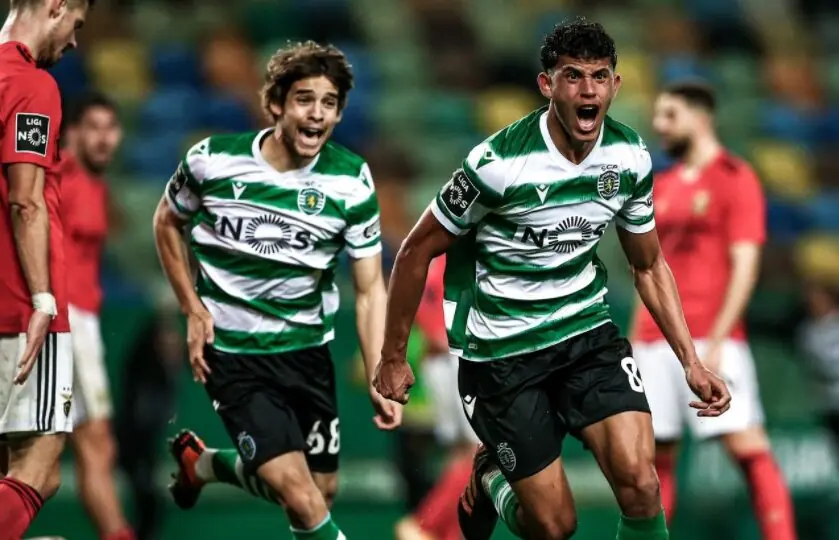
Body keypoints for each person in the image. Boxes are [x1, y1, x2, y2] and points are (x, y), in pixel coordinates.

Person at [373, 17, 732, 540]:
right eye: (573, 76)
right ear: (547, 85)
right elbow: (414, 251)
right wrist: (392, 355)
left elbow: (648, 265)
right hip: (503, 356)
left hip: (586, 338)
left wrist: (691, 361)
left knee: (641, 483)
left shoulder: (629, 157)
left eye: (599, 76)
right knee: (554, 526)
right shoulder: (498, 163)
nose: (588, 90)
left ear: (615, 85)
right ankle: (492, 479)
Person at [153, 40, 402, 540]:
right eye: (304, 99)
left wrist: (380, 368)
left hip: (307, 354)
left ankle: (204, 464)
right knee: (301, 499)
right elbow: (166, 223)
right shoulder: (211, 161)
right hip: (233, 354)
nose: (317, 114)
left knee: (320, 491)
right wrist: (193, 309)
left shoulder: (351, 180)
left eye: (329, 103)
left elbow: (370, 288)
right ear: (275, 104)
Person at [631, 80, 797, 540]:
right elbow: (645, 270)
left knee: (747, 446)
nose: (660, 125)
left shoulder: (734, 177)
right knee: (654, 459)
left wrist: (722, 339)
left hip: (709, 335)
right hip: (653, 340)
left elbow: (745, 265)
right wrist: (633, 337)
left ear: (701, 118)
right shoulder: (661, 186)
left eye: (670, 115)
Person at [0, 0, 92, 536]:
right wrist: (42, 300)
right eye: (75, 25)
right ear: (56, 6)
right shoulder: (32, 85)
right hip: (17, 302)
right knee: (39, 464)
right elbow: (26, 200)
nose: (75, 41)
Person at [61, 92, 135, 540]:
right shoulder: (59, 174)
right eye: (93, 128)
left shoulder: (96, 185)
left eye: (111, 128)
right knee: (96, 441)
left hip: (79, 319)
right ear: (72, 133)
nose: (104, 138)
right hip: (66, 319)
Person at [395, 254, 478, 540]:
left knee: (461, 454)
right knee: (481, 452)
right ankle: (425, 524)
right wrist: (443, 335)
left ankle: (447, 533)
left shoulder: (435, 249)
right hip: (457, 358)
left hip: (444, 360)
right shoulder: (454, 246)